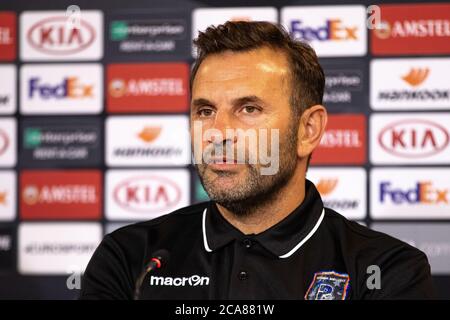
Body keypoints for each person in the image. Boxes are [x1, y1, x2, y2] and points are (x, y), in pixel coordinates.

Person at [80, 21, 436, 300]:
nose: (218, 133)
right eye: (205, 110)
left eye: (248, 109)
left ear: (308, 130)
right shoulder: (128, 257)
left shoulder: (387, 271)